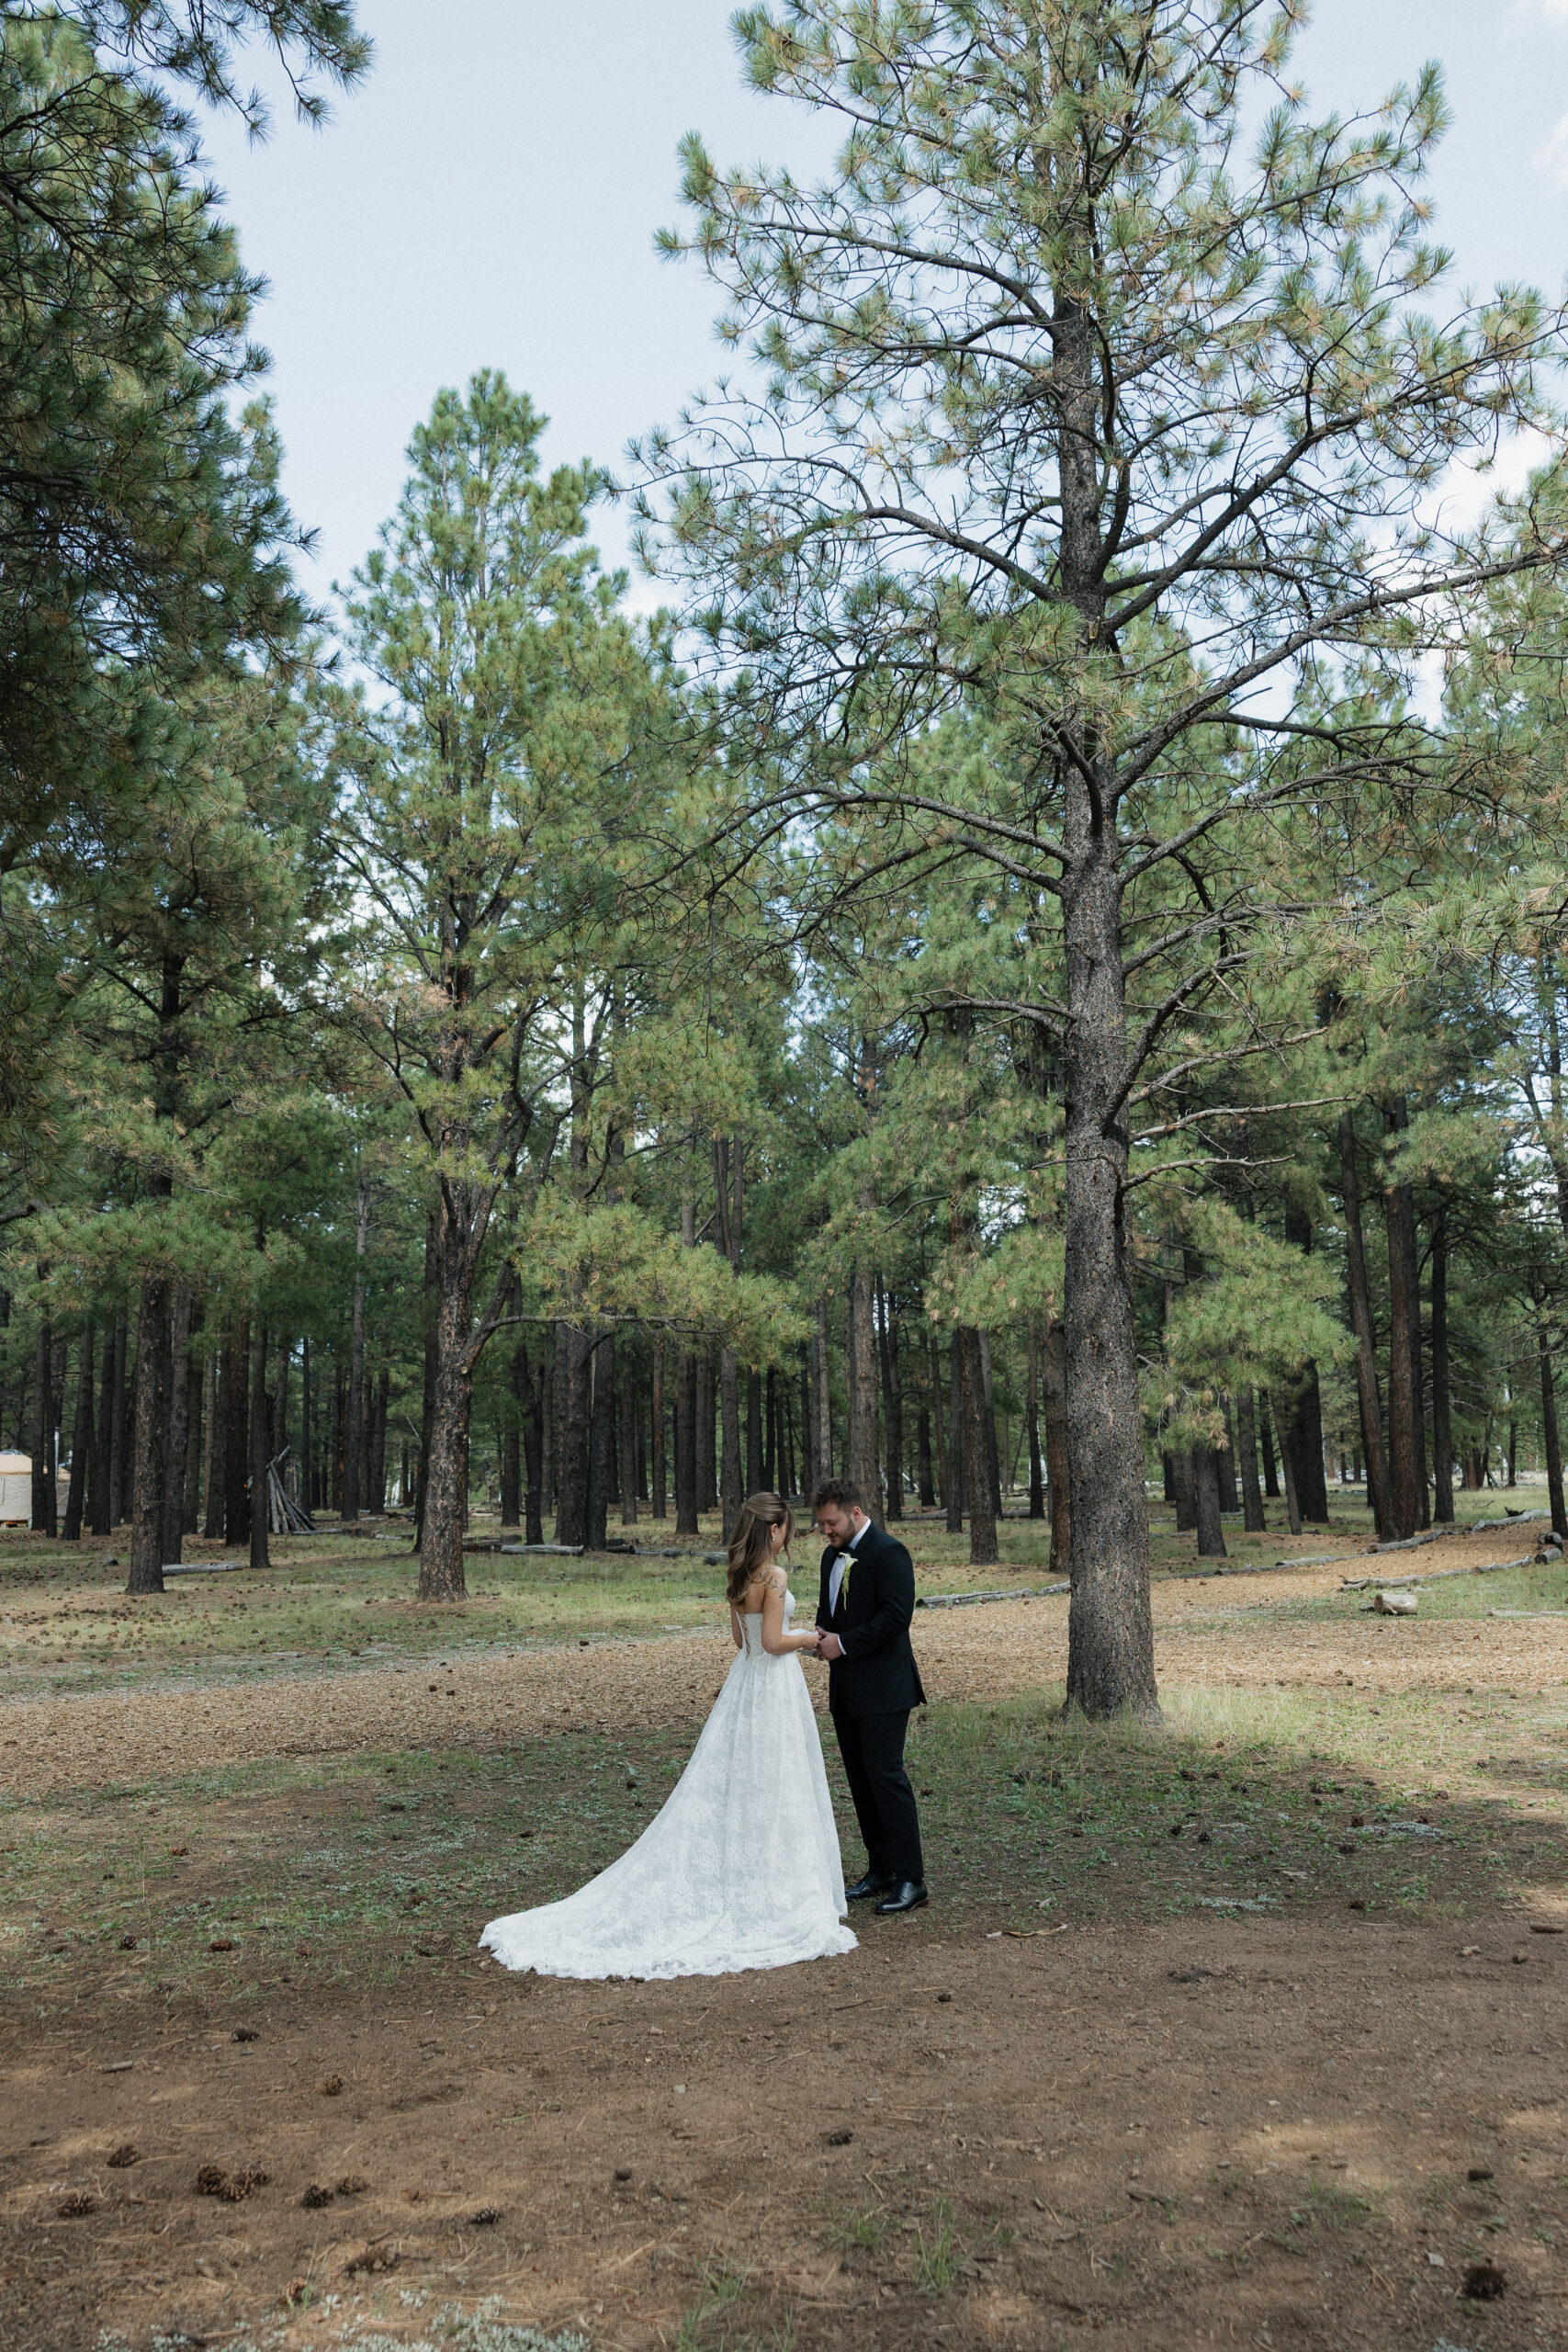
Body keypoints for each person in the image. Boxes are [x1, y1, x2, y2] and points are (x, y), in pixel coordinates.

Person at [479, 1492, 856, 1980]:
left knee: (745, 1780)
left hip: (744, 1685)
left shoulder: (740, 1577)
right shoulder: (774, 1577)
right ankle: (772, 1879)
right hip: (773, 1686)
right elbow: (770, 1642)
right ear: (774, 1530)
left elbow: (740, 1641)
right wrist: (809, 1638)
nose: (789, 1537)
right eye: (786, 1528)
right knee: (774, 1779)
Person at [810, 1476, 928, 1915]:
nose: (827, 1531)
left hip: (885, 1688)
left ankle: (912, 1879)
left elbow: (897, 1617)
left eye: (832, 1522)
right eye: (822, 1524)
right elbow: (830, 1611)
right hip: (846, 1689)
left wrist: (842, 1644)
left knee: (887, 1778)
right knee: (860, 1782)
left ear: (855, 1512)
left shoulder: (890, 1552)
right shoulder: (831, 1557)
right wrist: (820, 1634)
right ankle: (881, 1869)